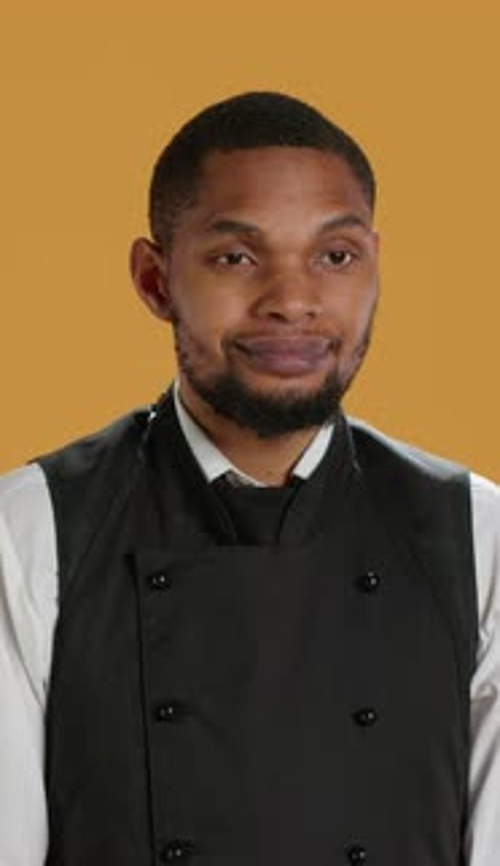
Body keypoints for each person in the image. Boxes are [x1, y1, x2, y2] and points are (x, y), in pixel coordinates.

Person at [0, 91, 498, 866]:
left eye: (335, 257)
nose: (293, 301)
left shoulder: (480, 536)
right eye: (236, 257)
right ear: (156, 281)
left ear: (374, 268)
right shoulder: (30, 531)